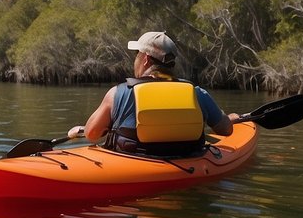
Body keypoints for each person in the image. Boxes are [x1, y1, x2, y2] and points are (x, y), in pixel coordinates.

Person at [69, 31, 240, 157]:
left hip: (133, 166)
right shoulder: (197, 93)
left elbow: (92, 135)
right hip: (188, 164)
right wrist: (229, 118)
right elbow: (225, 130)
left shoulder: (118, 94)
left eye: (137, 54)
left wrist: (83, 129)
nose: (135, 60)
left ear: (145, 59)